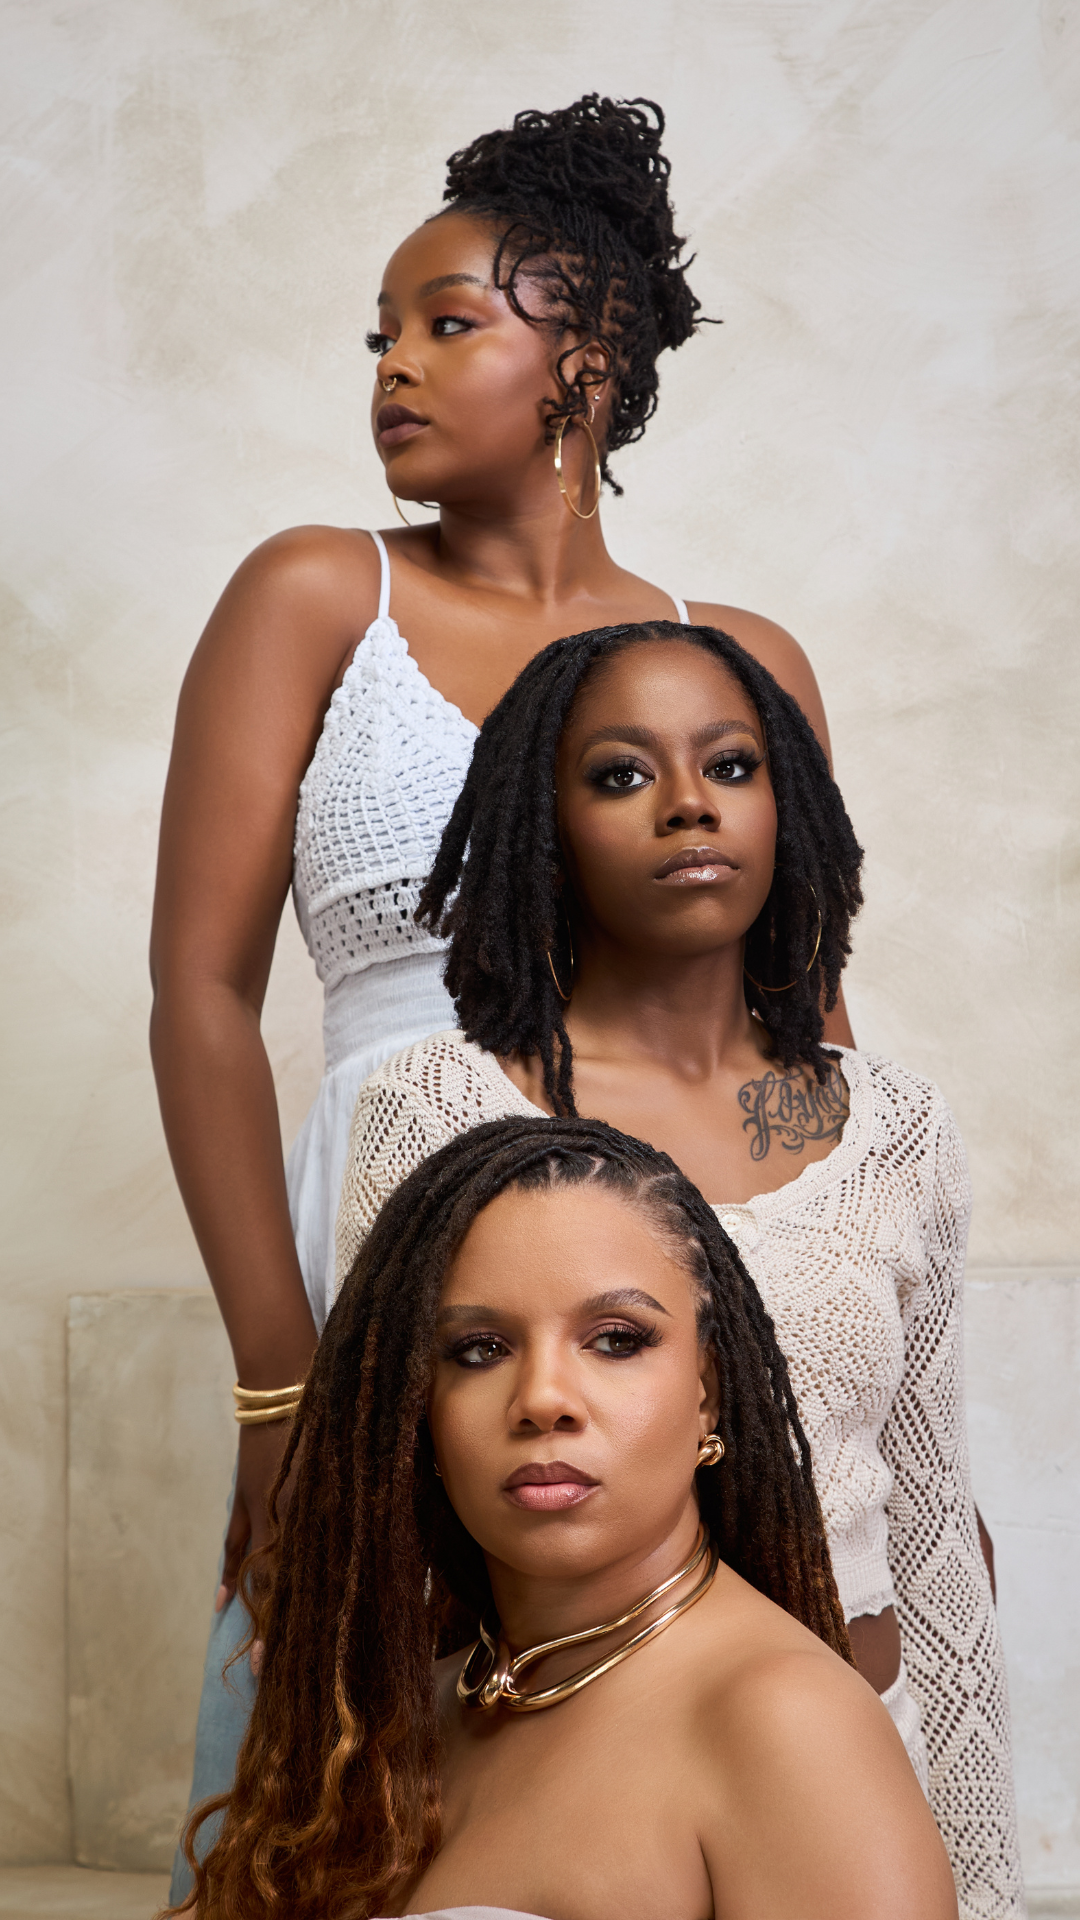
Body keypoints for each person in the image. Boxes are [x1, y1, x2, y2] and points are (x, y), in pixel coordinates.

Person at [149, 94, 853, 1889]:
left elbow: (807, 1048)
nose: (393, 367)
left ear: (590, 357)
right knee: (326, 1767)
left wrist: (864, 1390)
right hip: (389, 1262)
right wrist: (277, 1388)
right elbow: (200, 993)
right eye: (379, 335)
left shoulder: (734, 662)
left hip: (666, 1285)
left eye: (447, 322)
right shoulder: (320, 595)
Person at [334, 621, 1024, 1918]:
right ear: (545, 822)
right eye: (620, 774)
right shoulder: (440, 1108)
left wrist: (979, 1858)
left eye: (732, 764)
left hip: (864, 1754)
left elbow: (932, 1515)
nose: (690, 803)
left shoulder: (898, 1133)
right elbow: (386, 1491)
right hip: (580, 1784)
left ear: (790, 806)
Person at [170, 1118, 956, 1920]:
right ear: (418, 1411)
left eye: (617, 1340)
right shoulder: (386, 1722)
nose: (543, 1398)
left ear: (707, 1391)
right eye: (478, 1350)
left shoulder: (788, 1725)